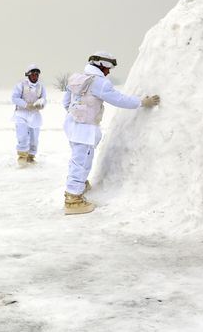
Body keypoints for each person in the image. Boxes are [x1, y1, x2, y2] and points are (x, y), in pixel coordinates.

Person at [62, 52, 160, 214]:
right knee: (82, 162)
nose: (109, 72)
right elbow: (119, 99)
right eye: (109, 68)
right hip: (85, 130)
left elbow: (66, 102)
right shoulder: (99, 83)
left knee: (78, 160)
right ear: (102, 66)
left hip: (73, 127)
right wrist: (142, 102)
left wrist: (76, 115)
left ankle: (78, 185)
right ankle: (73, 198)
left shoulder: (77, 78)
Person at [11, 65, 46, 166]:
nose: (35, 76)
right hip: (21, 114)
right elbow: (14, 98)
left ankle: (31, 156)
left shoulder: (41, 86)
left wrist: (41, 104)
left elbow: (44, 98)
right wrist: (26, 105)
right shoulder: (21, 85)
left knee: (34, 138)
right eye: (33, 74)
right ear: (28, 75)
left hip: (35, 115)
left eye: (37, 74)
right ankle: (22, 156)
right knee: (22, 136)